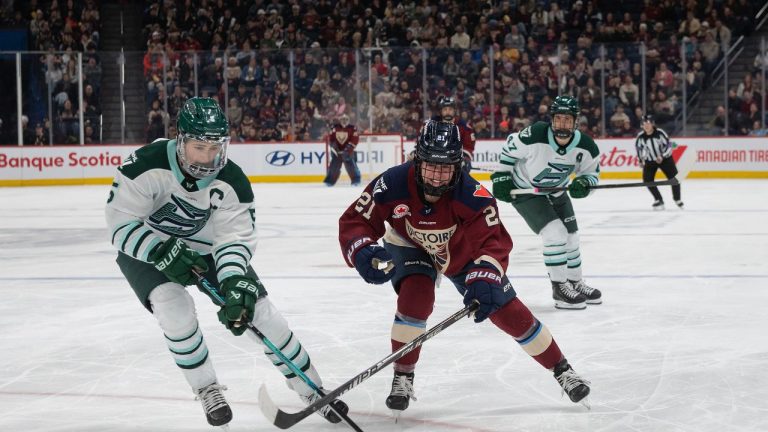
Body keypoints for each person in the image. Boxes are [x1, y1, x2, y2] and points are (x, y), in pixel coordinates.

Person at [105, 97, 348, 428]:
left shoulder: (231, 180)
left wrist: (234, 281)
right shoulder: (146, 164)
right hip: (149, 249)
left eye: (214, 148)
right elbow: (120, 224)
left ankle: (312, 389)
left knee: (259, 312)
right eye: (198, 148)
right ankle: (206, 388)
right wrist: (160, 251)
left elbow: (233, 239)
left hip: (206, 250)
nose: (207, 158)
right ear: (180, 141)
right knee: (172, 306)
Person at [338, 119, 591, 416]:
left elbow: (493, 241)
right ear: (417, 160)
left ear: (458, 166)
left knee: (505, 308)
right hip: (409, 245)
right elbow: (356, 220)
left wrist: (485, 273)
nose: (437, 177)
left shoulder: (471, 193)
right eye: (431, 165)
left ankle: (562, 369)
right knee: (415, 298)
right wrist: (362, 249)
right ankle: (403, 375)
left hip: (460, 252)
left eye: (446, 168)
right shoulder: (391, 183)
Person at [491, 95, 602, 310]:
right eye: (558, 119)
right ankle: (559, 288)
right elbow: (509, 150)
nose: (562, 124)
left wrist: (585, 183)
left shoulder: (586, 146)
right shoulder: (535, 134)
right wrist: (502, 176)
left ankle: (575, 282)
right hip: (525, 190)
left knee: (571, 237)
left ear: (575, 122)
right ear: (552, 119)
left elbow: (591, 173)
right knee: (554, 233)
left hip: (556, 190)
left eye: (567, 120)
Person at [634, 114, 683, 210]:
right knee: (647, 181)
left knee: (675, 179)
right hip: (650, 161)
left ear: (652, 124)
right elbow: (639, 149)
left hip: (665, 160)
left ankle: (677, 199)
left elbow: (669, 146)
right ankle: (658, 199)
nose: (646, 125)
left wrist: (662, 156)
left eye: (648, 123)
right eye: (644, 124)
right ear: (641, 125)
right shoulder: (640, 137)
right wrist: (640, 160)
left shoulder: (660, 133)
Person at [434, 95, 475, 172]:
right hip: (436, 162)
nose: (447, 112)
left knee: (464, 170)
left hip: (456, 162)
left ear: (455, 111)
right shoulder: (433, 125)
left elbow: (468, 147)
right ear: (441, 111)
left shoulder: (464, 127)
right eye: (445, 109)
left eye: (450, 109)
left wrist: (464, 159)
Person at [323, 114, 361, 186]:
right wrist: (334, 147)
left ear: (348, 120)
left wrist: (347, 149)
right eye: (342, 120)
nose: (344, 121)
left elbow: (355, 139)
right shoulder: (335, 128)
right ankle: (329, 181)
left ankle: (356, 181)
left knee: (351, 166)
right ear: (340, 120)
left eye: (346, 120)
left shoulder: (352, 128)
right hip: (337, 152)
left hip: (348, 151)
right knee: (334, 166)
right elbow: (331, 139)